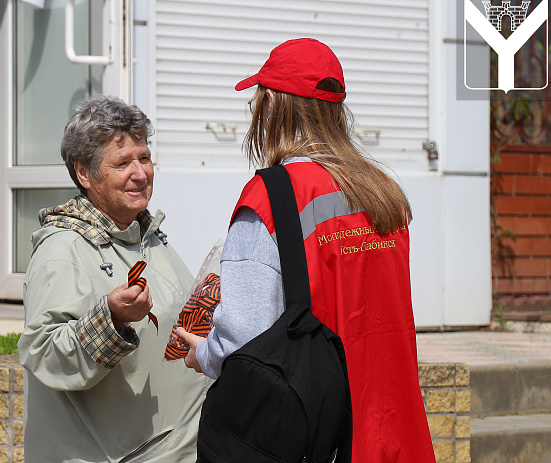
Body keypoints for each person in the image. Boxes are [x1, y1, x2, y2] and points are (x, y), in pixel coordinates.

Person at [177, 38, 436, 462]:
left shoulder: (270, 196)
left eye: (256, 103)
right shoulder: (384, 194)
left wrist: (203, 354)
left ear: (273, 105)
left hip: (321, 433)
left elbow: (243, 336)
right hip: (393, 427)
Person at [18, 95, 210, 463]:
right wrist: (111, 319)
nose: (140, 173)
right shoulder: (63, 250)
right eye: (123, 162)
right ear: (84, 174)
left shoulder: (147, 235)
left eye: (145, 158)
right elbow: (43, 353)